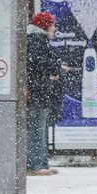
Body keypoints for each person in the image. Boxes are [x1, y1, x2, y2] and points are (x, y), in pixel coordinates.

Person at [26, 11, 61, 176]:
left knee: (39, 129)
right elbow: (40, 62)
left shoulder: (38, 40)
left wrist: (54, 67)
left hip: (39, 92)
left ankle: (41, 163)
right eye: (52, 25)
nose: (54, 28)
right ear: (45, 26)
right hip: (37, 93)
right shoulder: (36, 41)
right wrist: (53, 68)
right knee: (36, 130)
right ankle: (36, 165)